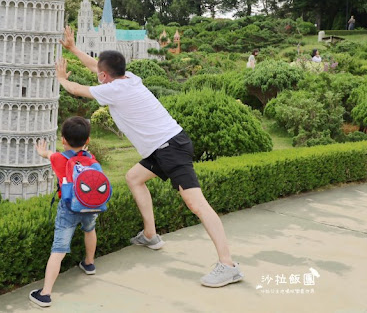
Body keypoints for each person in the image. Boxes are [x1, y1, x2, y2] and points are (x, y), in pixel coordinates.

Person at [55, 26, 243, 288]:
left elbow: (77, 89)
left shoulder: (115, 90)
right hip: (163, 146)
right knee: (134, 177)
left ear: (105, 75)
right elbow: (94, 69)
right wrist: (74, 49)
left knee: (196, 204)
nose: (97, 73)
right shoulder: (128, 78)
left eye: (99, 72)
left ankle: (228, 265)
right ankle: (151, 235)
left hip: (170, 147)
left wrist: (61, 78)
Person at [29, 116, 99, 307]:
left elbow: (50, 155)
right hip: (91, 205)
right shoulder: (91, 159)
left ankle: (45, 293)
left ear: (63, 140)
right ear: (87, 141)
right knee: (89, 230)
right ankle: (89, 263)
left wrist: (42, 151)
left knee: (59, 249)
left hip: (69, 207)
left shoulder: (60, 159)